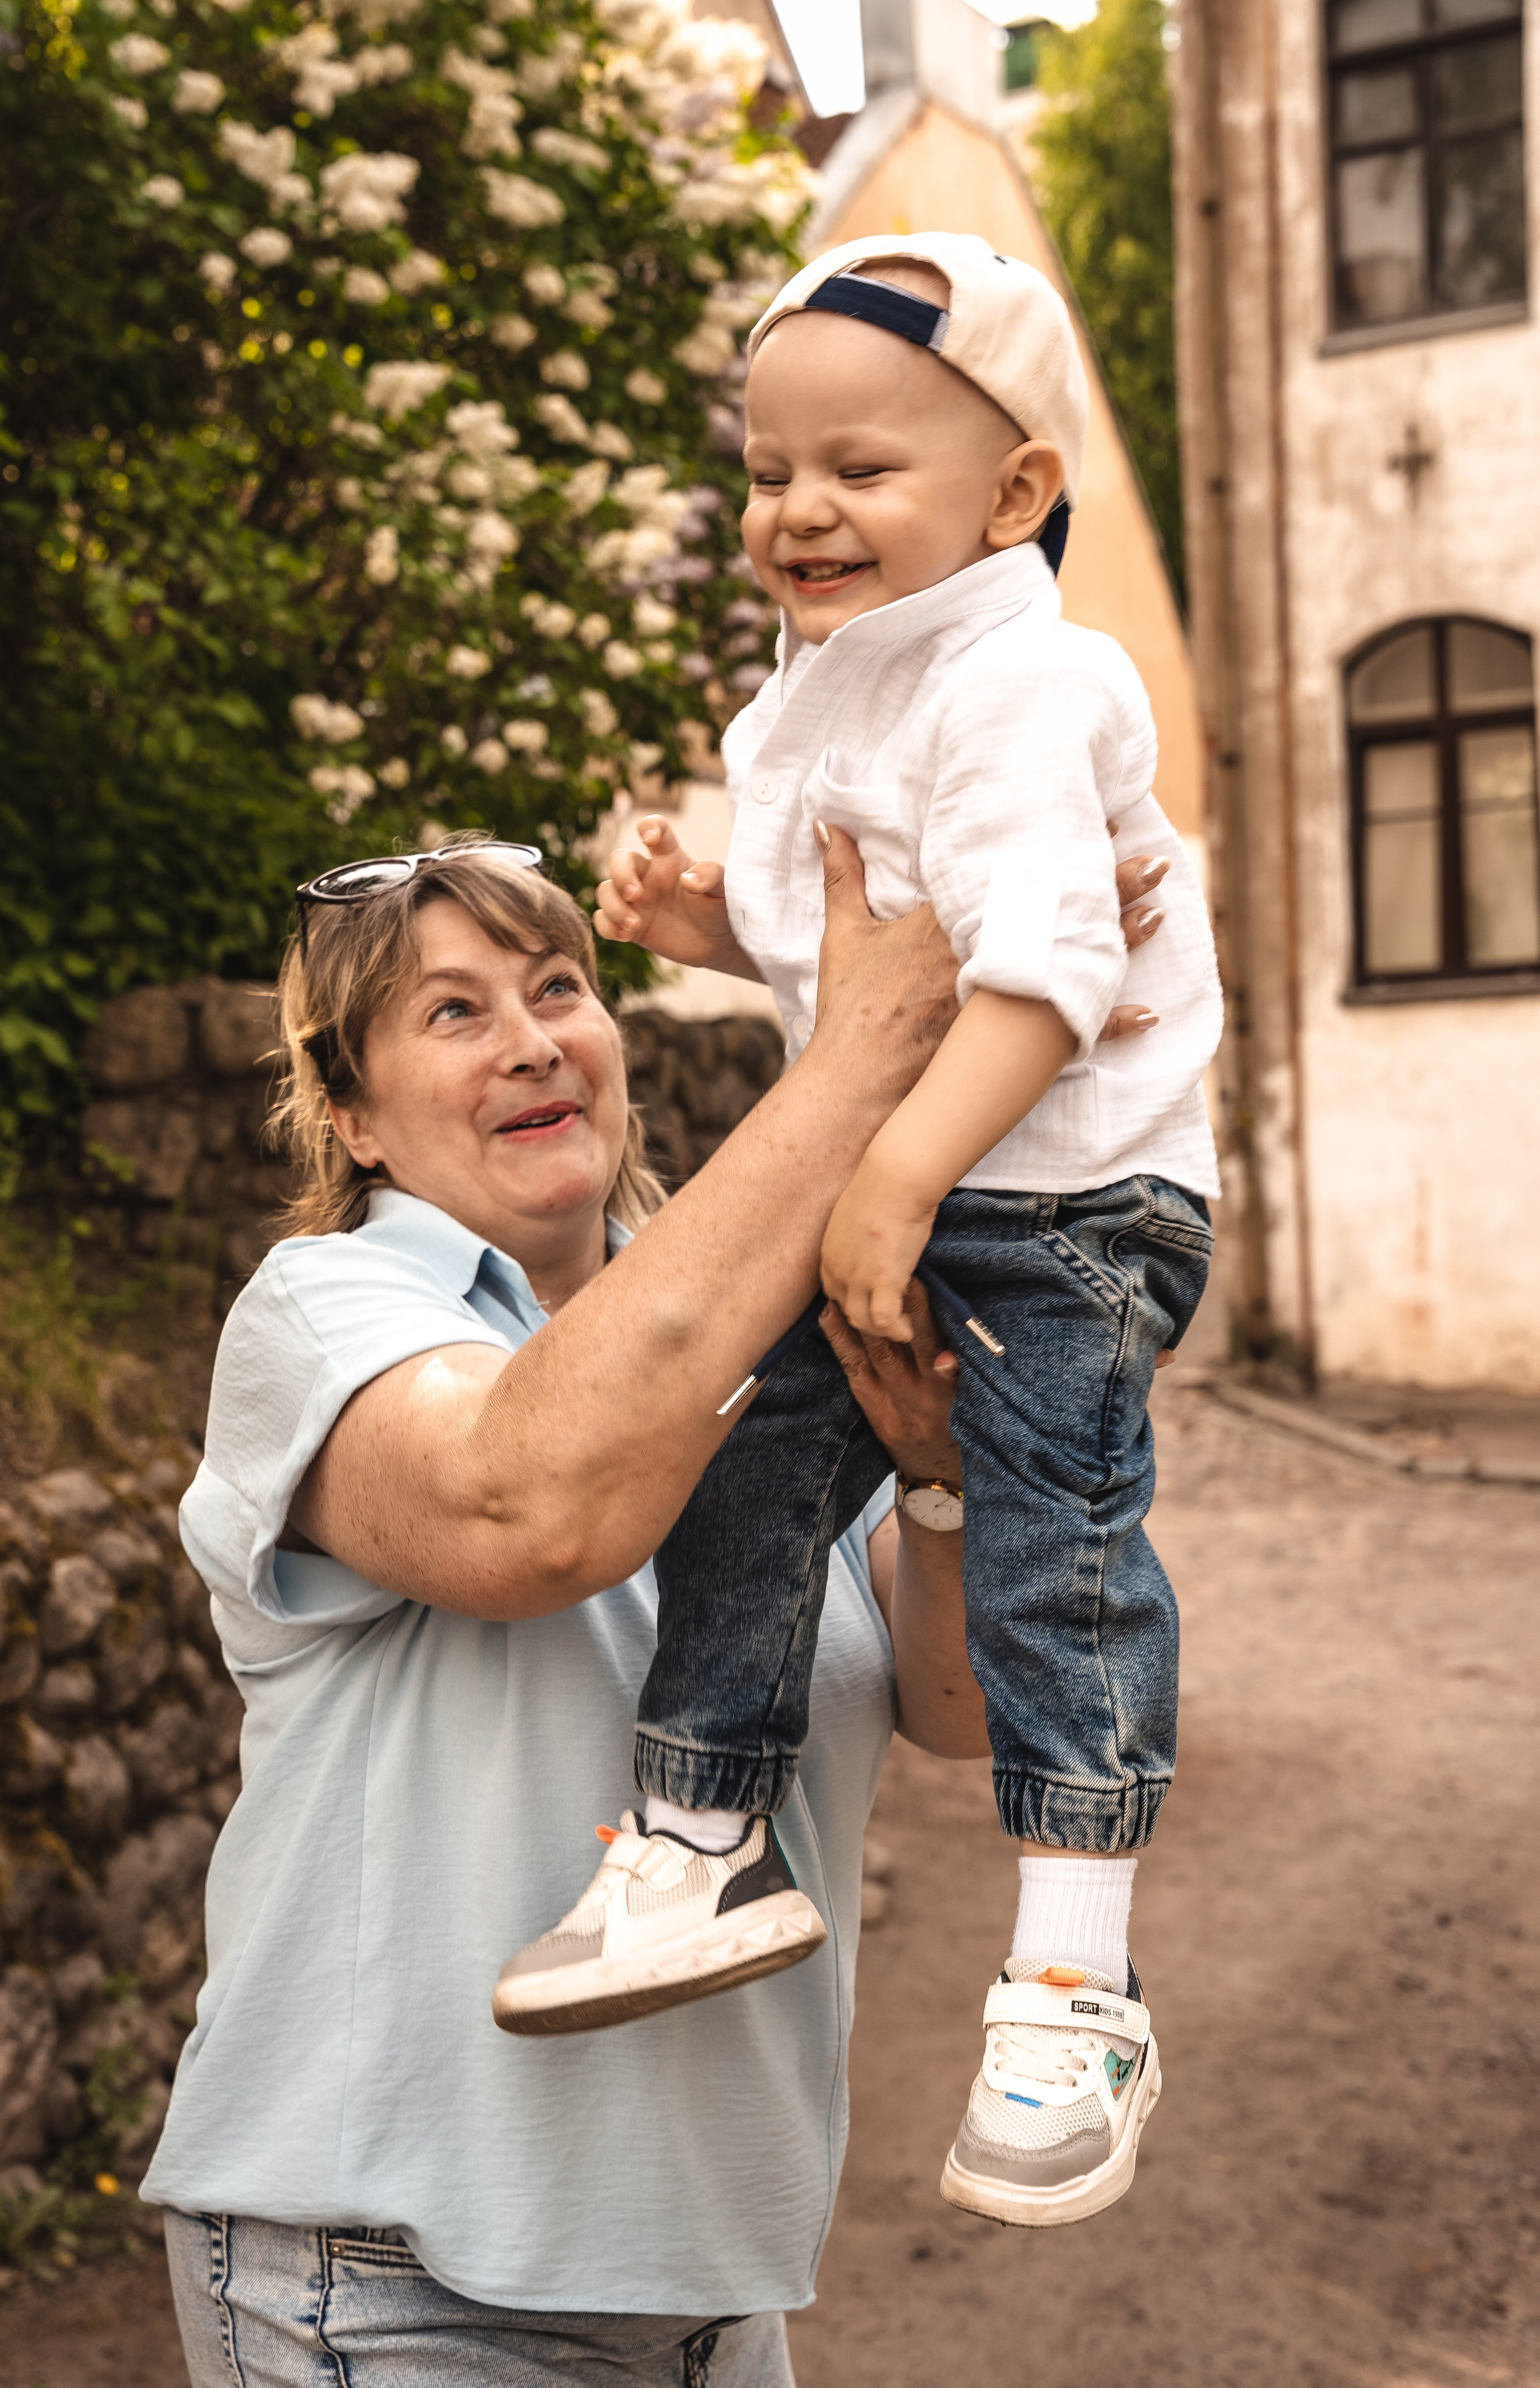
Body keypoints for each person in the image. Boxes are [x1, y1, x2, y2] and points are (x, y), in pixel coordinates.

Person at [142, 833, 1169, 2383]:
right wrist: (869, 1037)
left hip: (710, 2298)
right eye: (453, 1013)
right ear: (347, 1114)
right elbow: (534, 1503)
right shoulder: (324, 1316)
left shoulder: (779, 1338)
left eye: (558, 987)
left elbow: (953, 1712)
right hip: (391, 2281)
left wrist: (942, 1481)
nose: (533, 1038)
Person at [530, 233, 1224, 2234]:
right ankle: (699, 1830)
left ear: (1013, 496)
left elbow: (1040, 969)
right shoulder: (834, 685)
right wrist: (686, 920)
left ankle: (1079, 1978)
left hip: (1062, 1202)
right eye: (769, 472)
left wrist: (899, 1181)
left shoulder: (1019, 673)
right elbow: (845, 935)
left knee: (1057, 1548)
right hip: (916, 1187)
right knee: (749, 1476)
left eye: (860, 468)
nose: (799, 511)